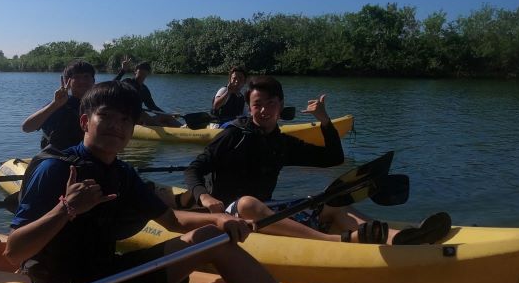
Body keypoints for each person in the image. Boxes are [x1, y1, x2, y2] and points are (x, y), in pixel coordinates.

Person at [6, 81, 402, 283]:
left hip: (111, 271)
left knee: (211, 238)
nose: (116, 126)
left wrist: (218, 219)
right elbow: (15, 251)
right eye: (106, 117)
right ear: (84, 122)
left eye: (125, 119)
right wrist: (65, 210)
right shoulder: (55, 168)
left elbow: (173, 221)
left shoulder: (121, 172)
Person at [184, 76, 451, 245]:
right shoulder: (233, 135)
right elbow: (195, 168)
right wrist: (204, 197)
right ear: (250, 106)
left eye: (270, 103)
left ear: (281, 105)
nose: (263, 110)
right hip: (232, 215)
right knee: (247, 202)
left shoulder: (281, 142)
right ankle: (331, 241)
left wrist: (325, 121)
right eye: (257, 104)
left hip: (268, 211)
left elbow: (332, 158)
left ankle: (398, 239)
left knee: (330, 201)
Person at [20, 60, 96, 150]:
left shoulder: (101, 104)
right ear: (67, 81)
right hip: (60, 157)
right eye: (77, 77)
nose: (82, 81)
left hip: (89, 156)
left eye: (86, 76)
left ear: (93, 80)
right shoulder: (59, 104)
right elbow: (26, 128)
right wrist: (55, 104)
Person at [114, 59, 180, 126]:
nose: (143, 71)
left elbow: (152, 107)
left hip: (139, 118)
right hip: (126, 118)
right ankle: (161, 128)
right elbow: (112, 85)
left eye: (146, 69)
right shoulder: (127, 82)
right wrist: (123, 71)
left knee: (167, 117)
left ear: (147, 73)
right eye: (141, 69)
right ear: (135, 71)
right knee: (141, 113)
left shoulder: (144, 89)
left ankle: (184, 129)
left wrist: (168, 114)